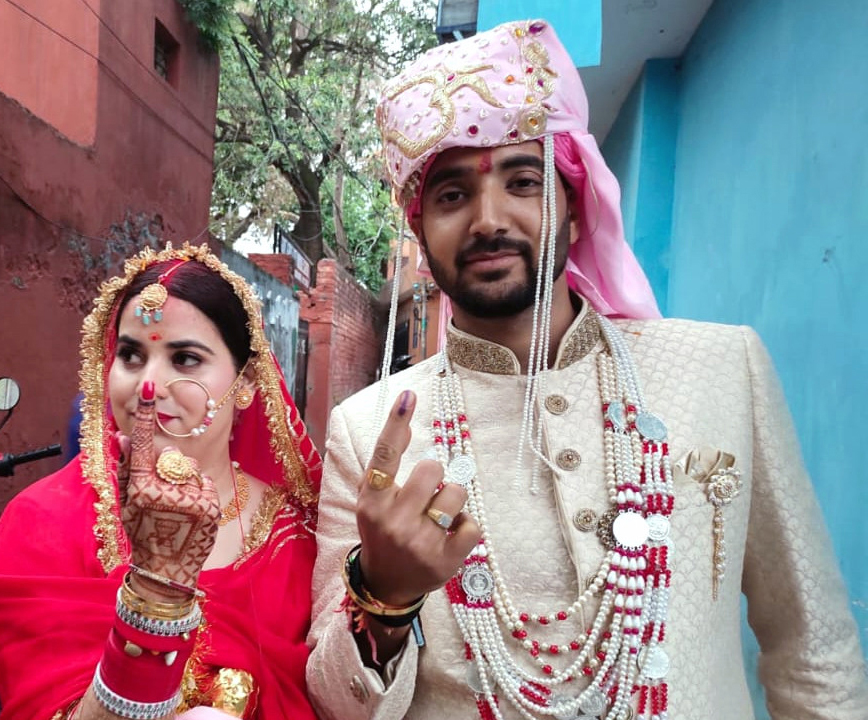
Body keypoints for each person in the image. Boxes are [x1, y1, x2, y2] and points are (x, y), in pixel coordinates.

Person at [306, 19, 868, 720]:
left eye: (524, 180)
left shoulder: (725, 369)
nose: (488, 219)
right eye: (451, 196)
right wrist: (383, 596)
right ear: (420, 232)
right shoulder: (367, 433)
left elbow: (812, 651)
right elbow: (333, 701)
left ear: (575, 203)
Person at [0, 243, 322, 720]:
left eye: (185, 359)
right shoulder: (41, 523)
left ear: (245, 384)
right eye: (131, 355)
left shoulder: (297, 538)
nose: (147, 385)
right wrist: (157, 600)